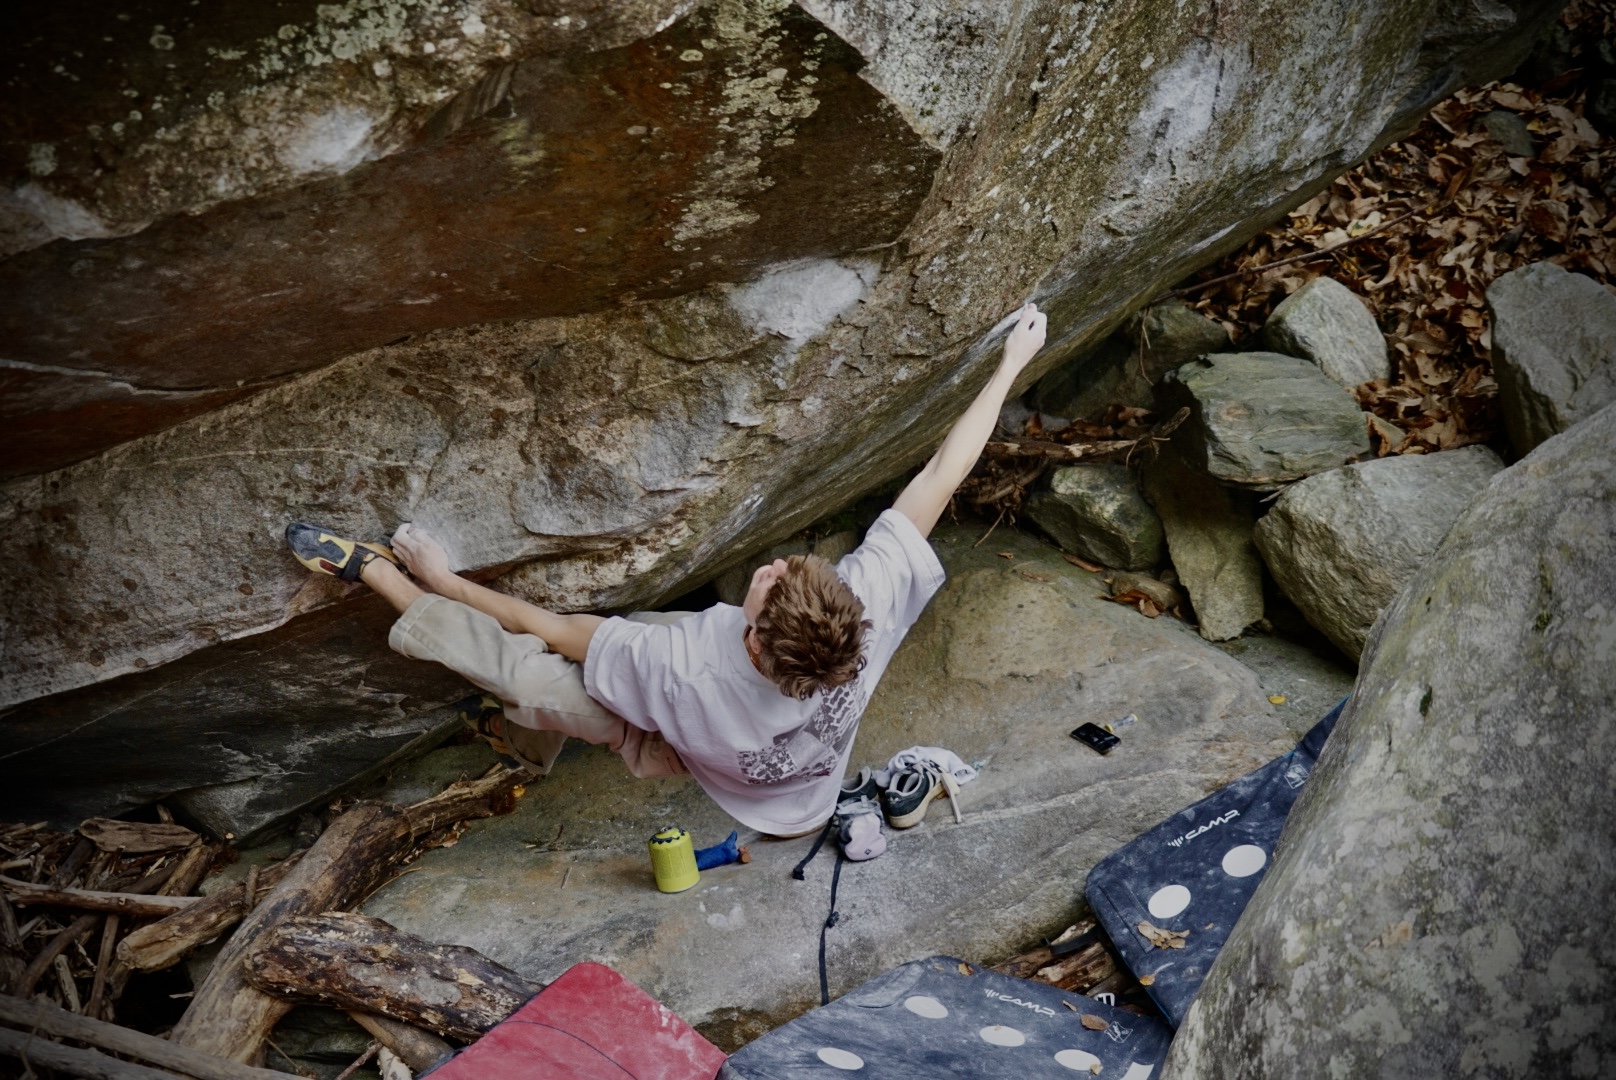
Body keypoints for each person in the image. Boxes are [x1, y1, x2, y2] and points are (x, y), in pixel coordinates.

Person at [285, 303, 1048, 838]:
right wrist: (1011, 363)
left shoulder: (682, 667)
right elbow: (944, 474)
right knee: (555, 694)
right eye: (794, 569)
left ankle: (383, 581)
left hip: (680, 743)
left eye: (771, 582)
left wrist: (443, 579)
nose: (775, 565)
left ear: (753, 637)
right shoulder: (861, 617)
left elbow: (546, 626)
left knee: (532, 677)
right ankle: (521, 743)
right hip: (793, 777)